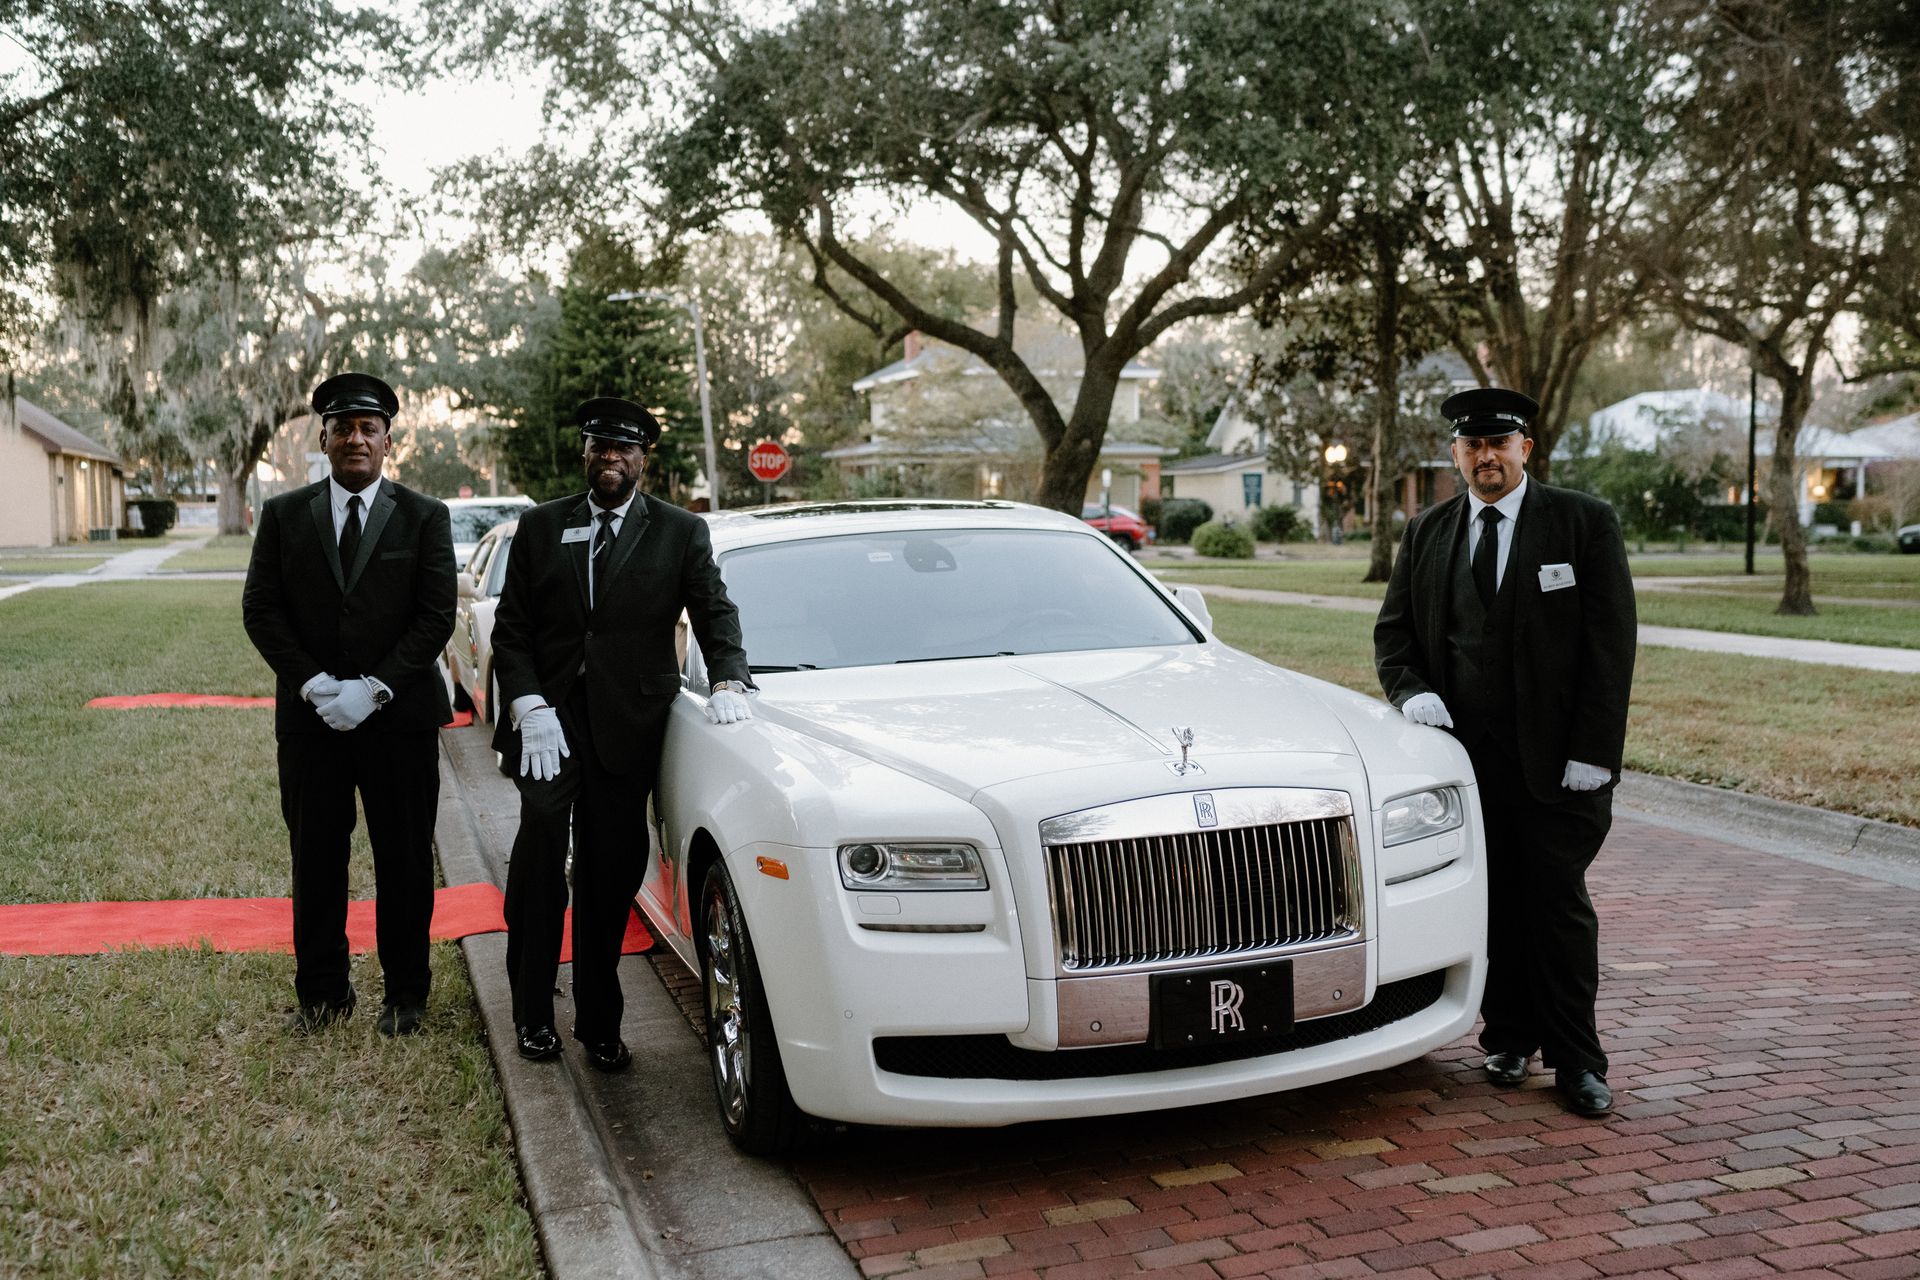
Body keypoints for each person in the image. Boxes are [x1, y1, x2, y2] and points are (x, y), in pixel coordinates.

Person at [1373, 386, 1636, 1117]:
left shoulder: (1583, 524)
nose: (1486, 457)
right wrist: (1412, 692)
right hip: (1469, 765)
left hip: (1558, 768)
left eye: (1500, 443)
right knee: (1491, 908)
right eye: (1472, 446)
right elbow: (1394, 637)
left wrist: (1593, 752)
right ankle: (1510, 1035)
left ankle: (1578, 1060)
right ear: (1457, 455)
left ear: (1526, 447)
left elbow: (1610, 650)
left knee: (1556, 908)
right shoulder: (1427, 532)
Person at [490, 396, 756, 1072]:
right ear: (584, 453)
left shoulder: (678, 533)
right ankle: (530, 1014)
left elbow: (715, 613)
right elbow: (513, 630)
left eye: (623, 449)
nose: (610, 458)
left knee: (611, 877)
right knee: (541, 857)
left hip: (627, 726)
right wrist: (528, 703)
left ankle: (600, 1024)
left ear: (644, 459)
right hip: (547, 723)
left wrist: (727, 679)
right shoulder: (540, 527)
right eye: (598, 446)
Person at [242, 372, 457, 1037]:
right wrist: (315, 685)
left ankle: (406, 996)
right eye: (343, 428)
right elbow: (262, 610)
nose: (356, 439)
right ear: (325, 439)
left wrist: (373, 688)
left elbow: (434, 617)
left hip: (400, 721)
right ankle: (323, 994)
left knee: (404, 861)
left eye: (369, 428)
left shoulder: (425, 517)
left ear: (389, 440)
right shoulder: (283, 516)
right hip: (311, 724)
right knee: (316, 860)